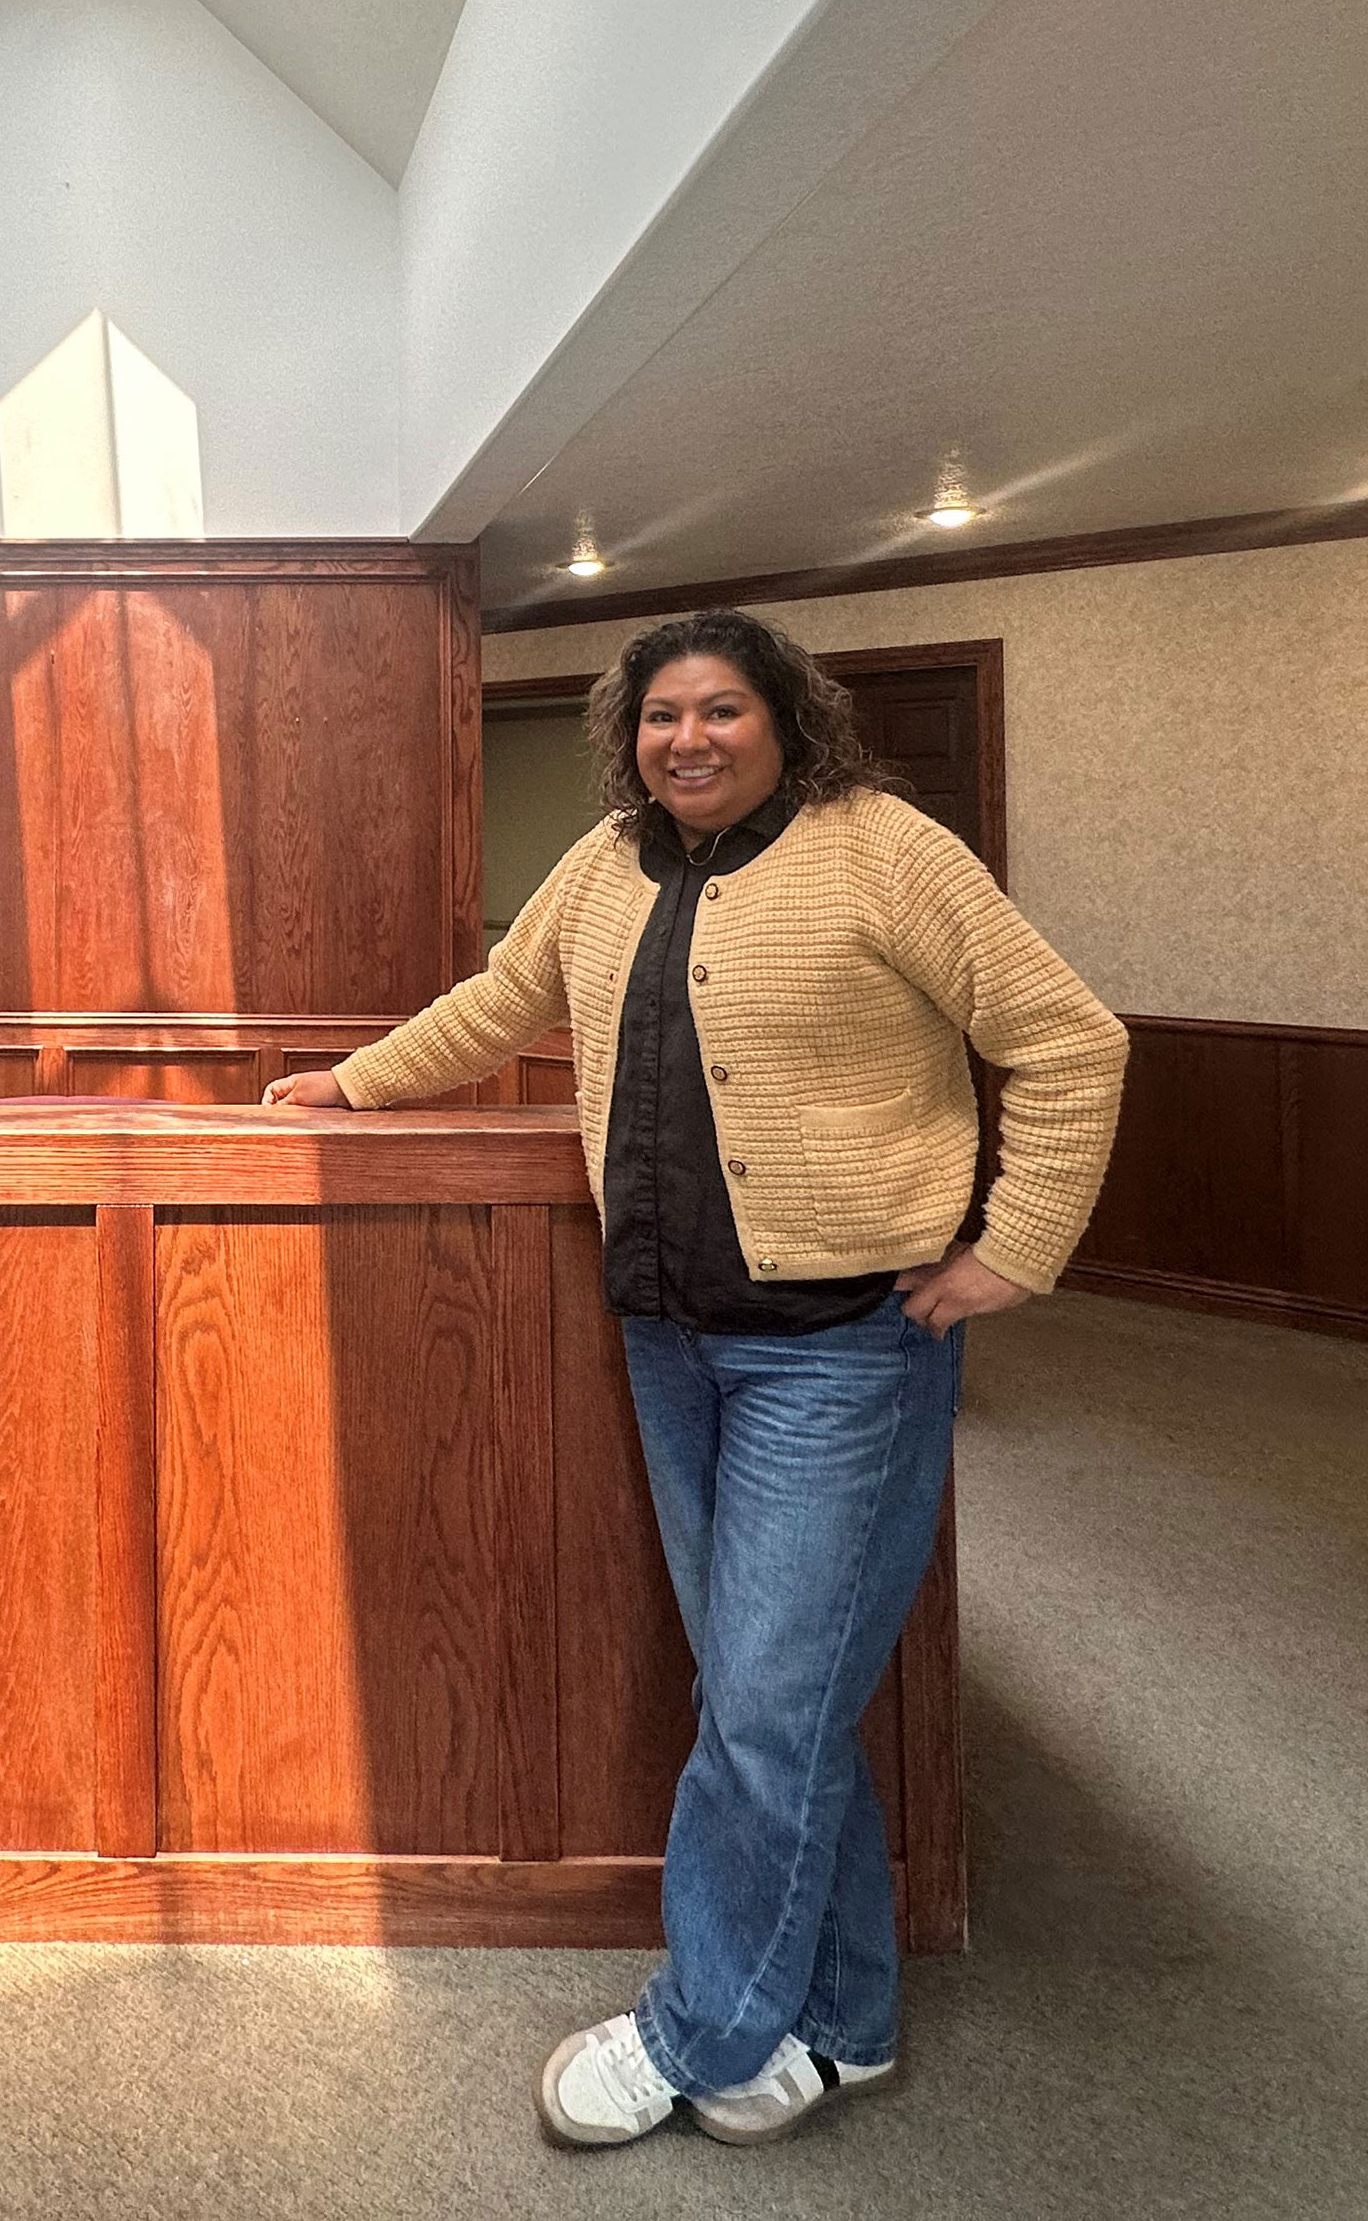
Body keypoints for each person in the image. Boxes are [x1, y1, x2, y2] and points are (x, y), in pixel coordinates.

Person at [263, 608, 1126, 2152]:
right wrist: (349, 1084)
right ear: (631, 737)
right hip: (670, 1339)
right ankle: (846, 2017)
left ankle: (703, 2029)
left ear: (786, 720)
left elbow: (1071, 1041)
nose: (689, 739)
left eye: (722, 709)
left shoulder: (884, 851)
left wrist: (1017, 1249)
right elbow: (504, 999)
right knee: (766, 1699)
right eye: (662, 716)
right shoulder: (608, 864)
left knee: (766, 1713)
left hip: (843, 1353)